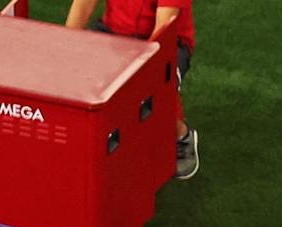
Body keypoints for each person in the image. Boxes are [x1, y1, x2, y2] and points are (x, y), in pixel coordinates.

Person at [66, 0, 196, 178]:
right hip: (111, 33)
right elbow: (84, 4)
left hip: (166, 41)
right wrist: (65, 46)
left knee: (153, 87)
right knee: (78, 80)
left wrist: (138, 73)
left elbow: (163, 29)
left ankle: (180, 136)